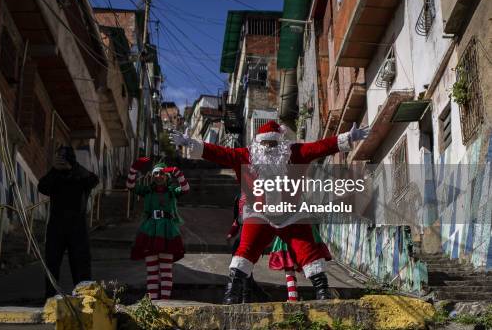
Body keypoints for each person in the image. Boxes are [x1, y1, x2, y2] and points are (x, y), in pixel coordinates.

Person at [170, 120, 369, 303]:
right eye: (265, 145)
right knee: (245, 250)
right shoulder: (245, 155)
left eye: (273, 144)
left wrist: (348, 137)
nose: (269, 149)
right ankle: (232, 294)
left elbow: (320, 147)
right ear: (258, 144)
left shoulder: (294, 153)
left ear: (280, 143)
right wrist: (191, 143)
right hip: (259, 214)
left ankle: (323, 291)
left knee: (308, 250)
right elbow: (218, 152)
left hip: (291, 213)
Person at [38, 146, 99, 298]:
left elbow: (93, 180)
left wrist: (73, 167)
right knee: (52, 262)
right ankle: (50, 296)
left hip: (77, 226)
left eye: (63, 157)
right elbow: (42, 187)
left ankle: (85, 297)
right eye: (59, 157)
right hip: (57, 225)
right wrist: (54, 170)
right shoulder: (55, 176)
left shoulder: (80, 175)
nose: (61, 161)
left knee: (81, 263)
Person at [127, 157, 190, 300]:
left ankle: (165, 302)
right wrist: (133, 169)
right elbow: (130, 186)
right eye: (155, 173)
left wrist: (177, 173)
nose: (158, 176)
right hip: (149, 232)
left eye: (161, 173)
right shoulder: (147, 191)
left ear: (167, 176)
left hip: (168, 231)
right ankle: (153, 302)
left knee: (166, 271)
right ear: (152, 176)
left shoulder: (172, 191)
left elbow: (186, 189)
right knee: (152, 271)